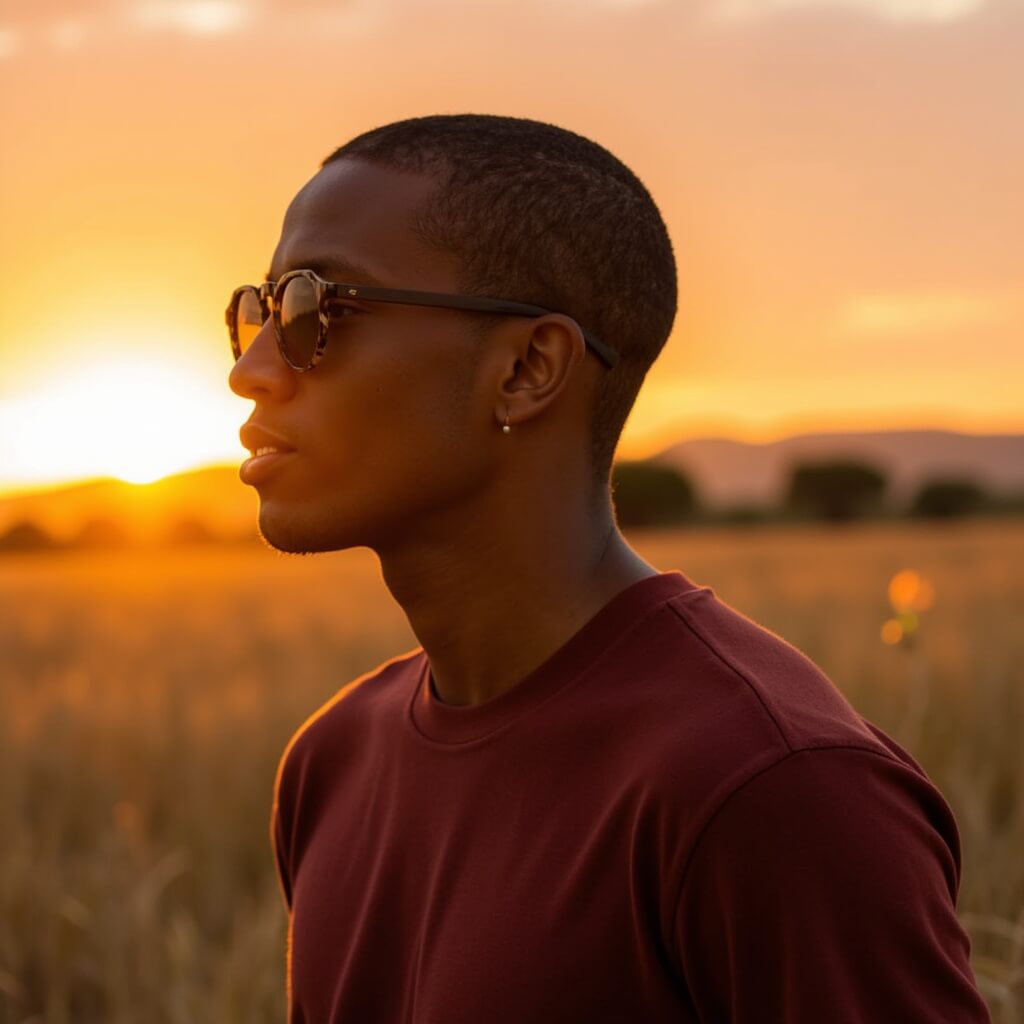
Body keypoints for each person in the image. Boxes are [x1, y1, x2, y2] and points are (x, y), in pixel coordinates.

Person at [226, 114, 990, 1022]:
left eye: (317, 309)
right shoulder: (333, 761)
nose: (253, 369)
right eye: (258, 310)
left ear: (527, 368)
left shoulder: (773, 789)